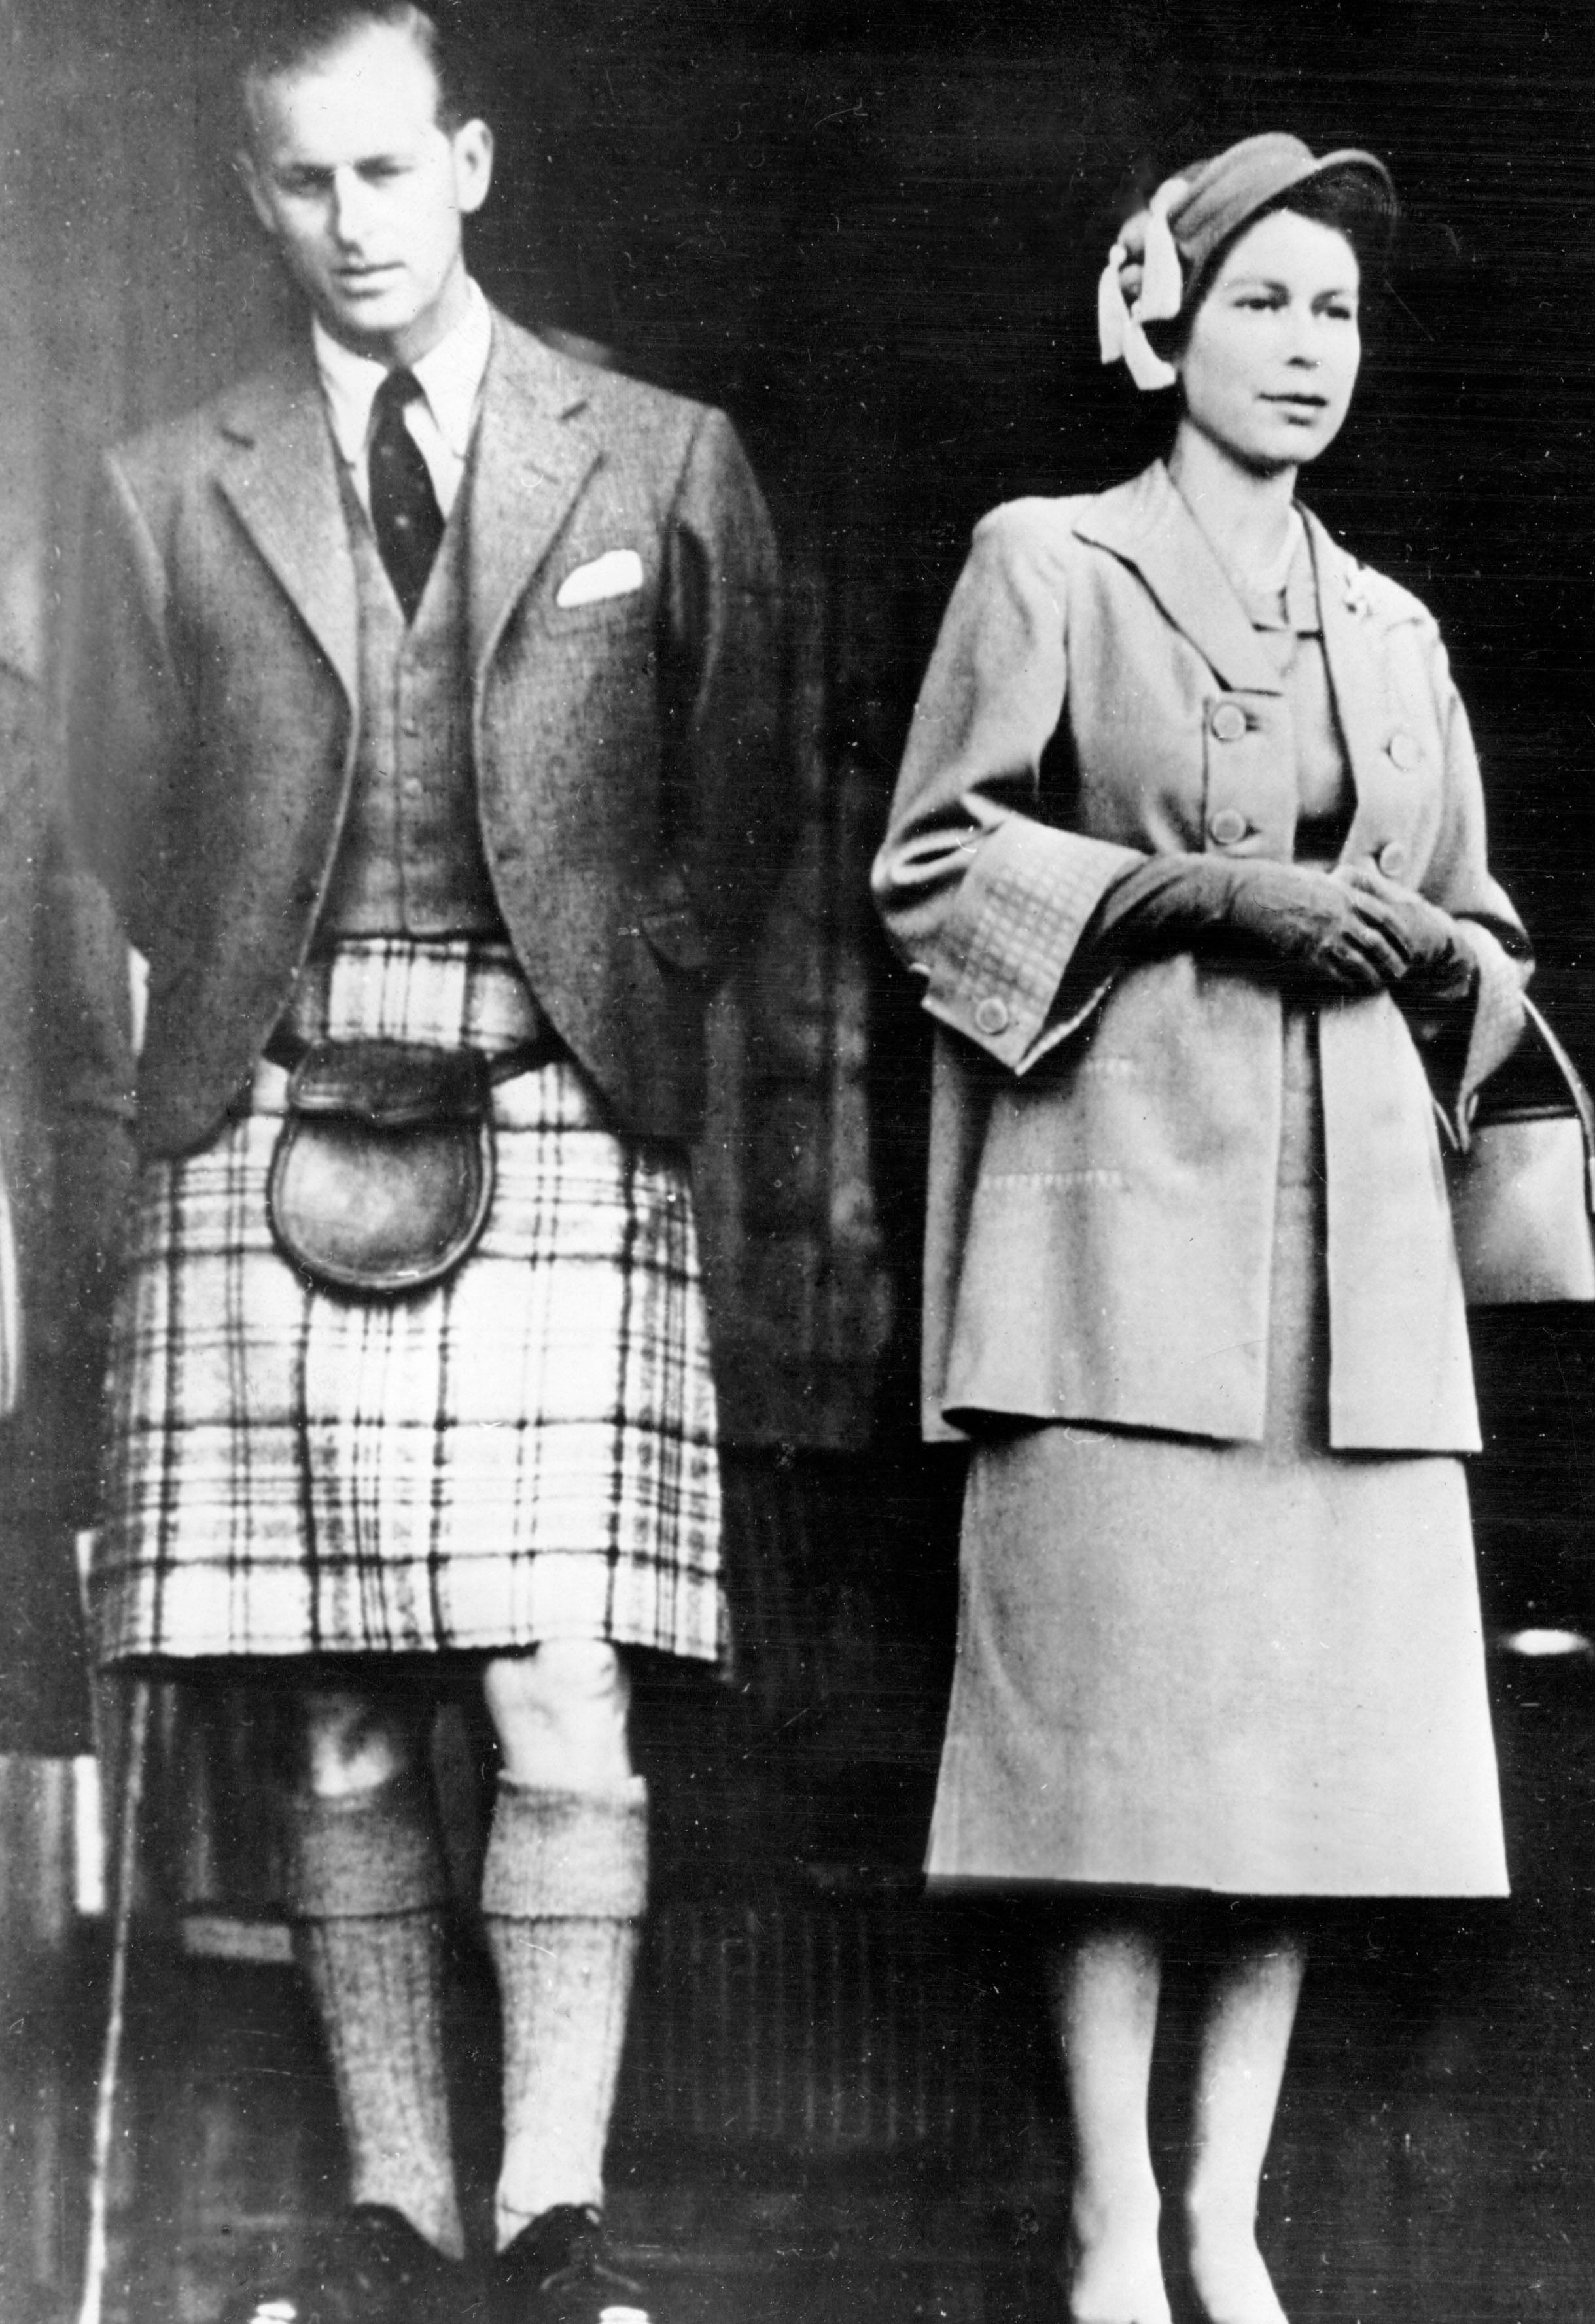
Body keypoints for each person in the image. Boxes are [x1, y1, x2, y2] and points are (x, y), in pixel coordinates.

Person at [67, 6, 789, 2320]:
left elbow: (737, 805)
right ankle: (398, 2223)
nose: (357, 226)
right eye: (307, 184)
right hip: (276, 1096)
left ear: (469, 161)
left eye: (395, 172)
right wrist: (235, 1022)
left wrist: (621, 985)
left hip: (554, 1090)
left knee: (555, 1675)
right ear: (256, 194)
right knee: (344, 1693)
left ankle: (558, 2222)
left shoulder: (662, 456)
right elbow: (108, 819)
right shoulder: (164, 486)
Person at [872, 133, 1526, 2324]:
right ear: (1164, 314)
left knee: (1300, 1771)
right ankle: (1107, 2217)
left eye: (1339, 311)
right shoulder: (1048, 562)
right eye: (1264, 300)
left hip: (1345, 1266)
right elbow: (931, 873)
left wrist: (1437, 949)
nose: (1308, 349)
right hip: (1107, 1242)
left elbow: (1497, 938)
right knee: (1118, 1758)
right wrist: (1190, 893)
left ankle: (1226, 2213)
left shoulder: (1398, 628)